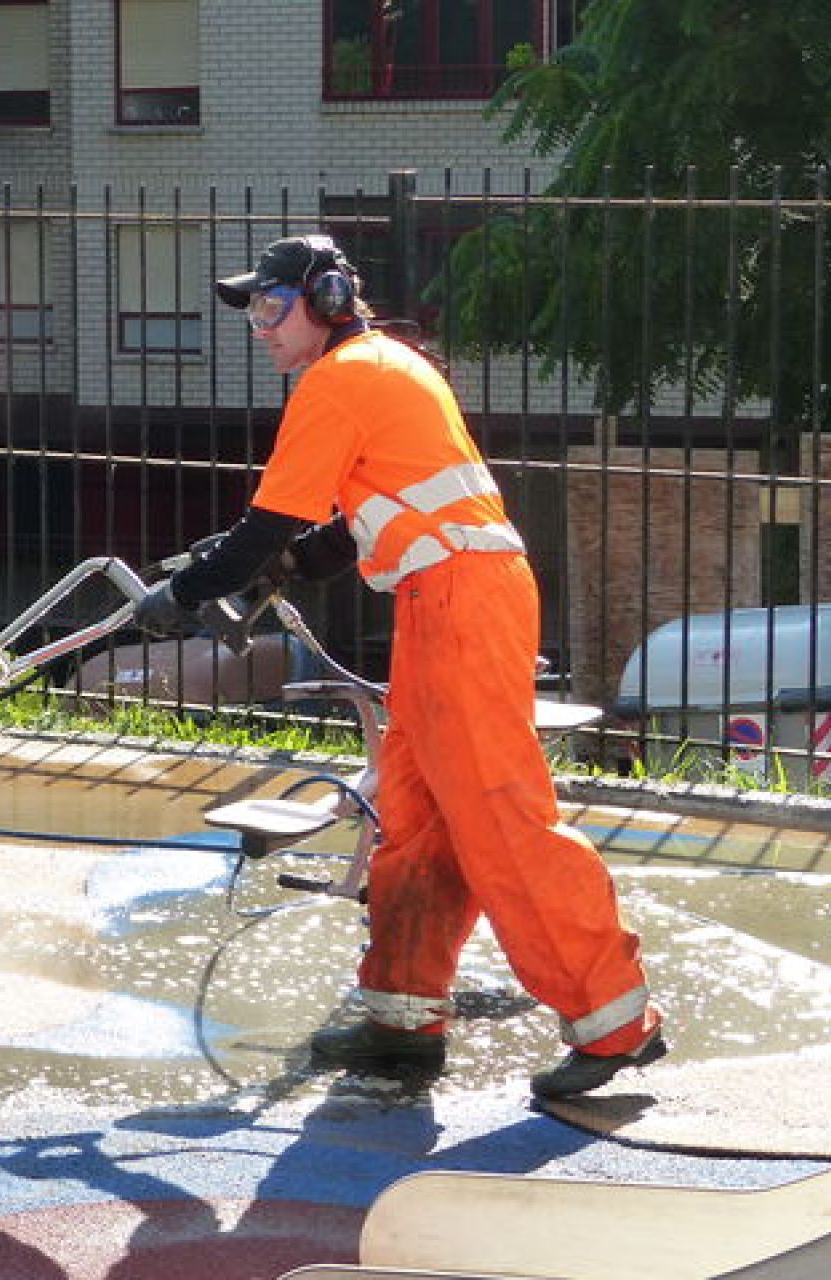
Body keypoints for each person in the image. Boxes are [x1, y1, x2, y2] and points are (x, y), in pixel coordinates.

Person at [133, 233, 665, 1099]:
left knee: (498, 812)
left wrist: (188, 593)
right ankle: (402, 1017)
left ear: (330, 299)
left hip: (463, 602)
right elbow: (349, 527)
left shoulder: (340, 380)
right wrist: (290, 569)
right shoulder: (389, 367)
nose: (261, 328)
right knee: (416, 814)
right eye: (254, 312)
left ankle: (615, 1020)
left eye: (273, 308)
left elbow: (267, 524)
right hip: (444, 601)